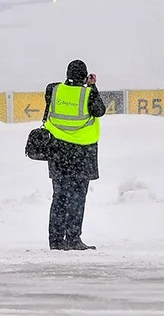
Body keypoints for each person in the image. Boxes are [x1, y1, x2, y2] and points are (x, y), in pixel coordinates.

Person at [41, 59, 106, 250]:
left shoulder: (53, 90)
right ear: (85, 76)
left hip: (58, 153)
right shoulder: (88, 93)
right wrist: (92, 87)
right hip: (81, 154)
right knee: (77, 198)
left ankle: (55, 241)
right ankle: (73, 239)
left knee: (59, 197)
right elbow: (99, 111)